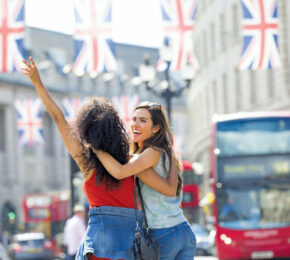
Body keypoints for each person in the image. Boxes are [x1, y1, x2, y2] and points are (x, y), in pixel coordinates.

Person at [21, 57, 178, 260]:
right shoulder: (134, 165)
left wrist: (38, 83)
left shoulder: (88, 164)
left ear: (87, 131)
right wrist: (170, 151)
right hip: (130, 248)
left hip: (98, 247)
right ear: (117, 130)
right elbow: (170, 190)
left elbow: (59, 118)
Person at [95, 102, 197, 259]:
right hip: (182, 230)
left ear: (156, 128)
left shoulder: (152, 152)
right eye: (134, 119)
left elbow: (119, 172)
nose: (135, 124)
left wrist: (96, 149)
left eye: (143, 120)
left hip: (162, 233)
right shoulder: (166, 153)